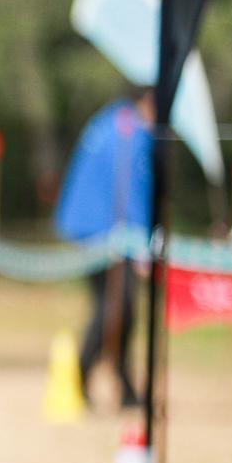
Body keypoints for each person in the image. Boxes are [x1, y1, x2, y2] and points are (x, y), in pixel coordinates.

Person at [53, 88, 154, 409]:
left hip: (86, 227)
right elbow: (133, 192)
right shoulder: (132, 132)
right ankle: (83, 376)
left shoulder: (111, 120)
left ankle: (121, 385)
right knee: (115, 310)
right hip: (107, 233)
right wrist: (141, 246)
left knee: (116, 309)